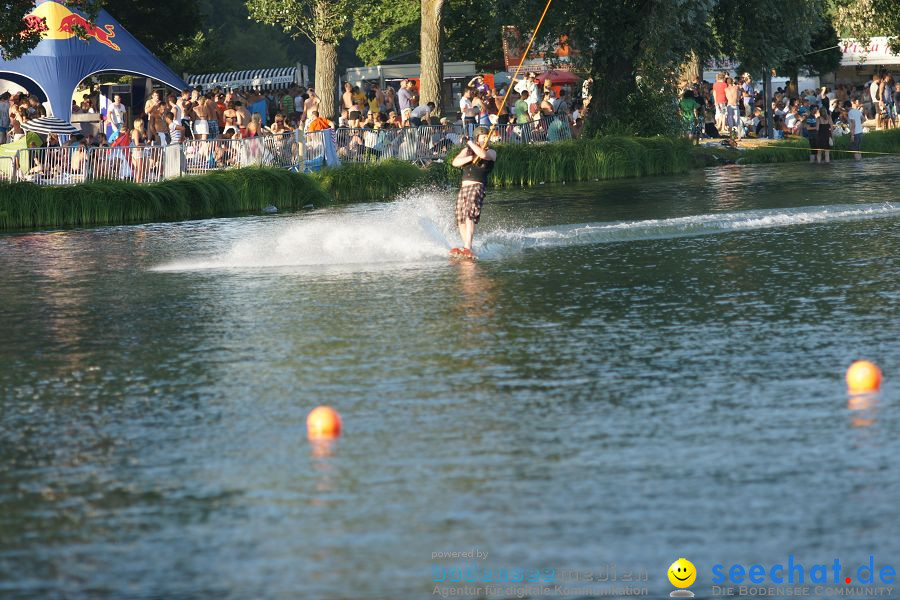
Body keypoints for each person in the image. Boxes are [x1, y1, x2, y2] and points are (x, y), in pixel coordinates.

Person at [450, 127, 497, 257]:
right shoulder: (467, 151)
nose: (485, 139)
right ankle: (466, 246)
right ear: (477, 138)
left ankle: (467, 246)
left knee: (469, 214)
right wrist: (470, 157)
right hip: (464, 188)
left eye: (487, 136)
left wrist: (469, 142)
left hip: (477, 186)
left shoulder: (492, 152)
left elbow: (482, 155)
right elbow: (455, 162)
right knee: (460, 218)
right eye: (483, 137)